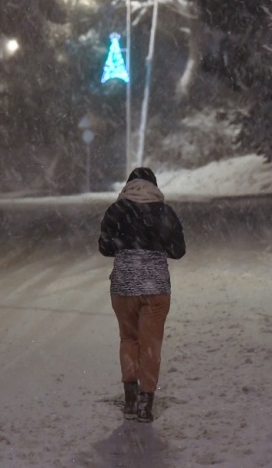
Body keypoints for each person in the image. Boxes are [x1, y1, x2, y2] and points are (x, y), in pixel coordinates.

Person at [98, 167, 185, 422]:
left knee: (129, 339)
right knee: (151, 344)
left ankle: (130, 398)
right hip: (156, 287)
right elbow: (178, 250)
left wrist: (125, 244)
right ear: (154, 187)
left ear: (129, 185)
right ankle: (146, 404)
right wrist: (156, 243)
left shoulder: (116, 210)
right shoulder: (164, 211)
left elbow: (104, 247)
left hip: (124, 285)